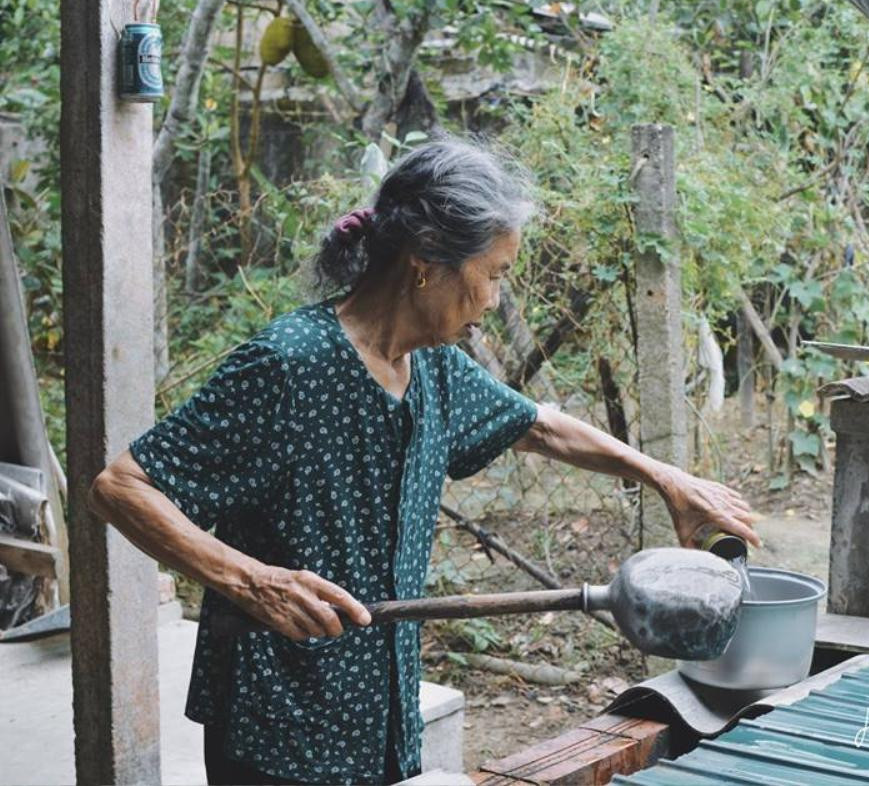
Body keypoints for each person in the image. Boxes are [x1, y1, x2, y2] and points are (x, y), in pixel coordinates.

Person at [88, 137, 759, 785]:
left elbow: (543, 429)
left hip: (380, 717)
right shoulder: (290, 364)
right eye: (492, 275)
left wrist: (666, 478)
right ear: (427, 262)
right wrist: (250, 580)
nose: (495, 301)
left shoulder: (432, 368)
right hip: (279, 725)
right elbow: (122, 486)